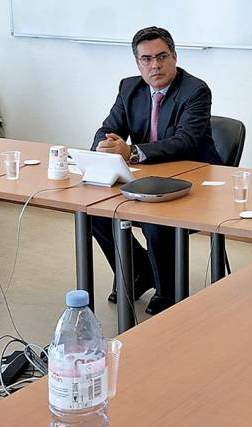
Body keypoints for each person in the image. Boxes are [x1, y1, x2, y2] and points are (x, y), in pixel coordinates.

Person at [90, 26, 221, 316]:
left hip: (194, 177)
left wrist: (133, 152)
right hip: (147, 177)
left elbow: (185, 141)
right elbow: (109, 127)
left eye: (162, 56)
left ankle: (169, 292)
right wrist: (104, 145)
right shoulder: (129, 87)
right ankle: (140, 272)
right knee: (94, 211)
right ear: (137, 63)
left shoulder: (195, 90)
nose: (155, 65)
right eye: (146, 59)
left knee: (154, 219)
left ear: (174, 56)